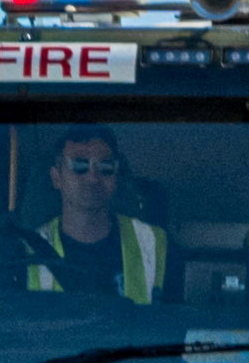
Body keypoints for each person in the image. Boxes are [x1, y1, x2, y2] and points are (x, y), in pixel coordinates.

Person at [21, 124, 167, 301]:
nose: (93, 177)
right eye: (79, 165)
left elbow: (178, 320)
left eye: (106, 167)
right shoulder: (24, 252)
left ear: (115, 177)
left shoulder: (154, 243)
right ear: (56, 177)